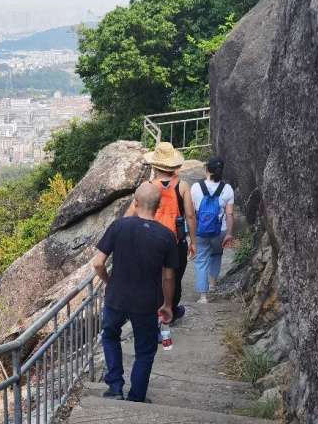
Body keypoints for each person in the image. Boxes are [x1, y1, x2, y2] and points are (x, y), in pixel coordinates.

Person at [92, 182, 180, 402]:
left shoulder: (118, 226)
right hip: (147, 302)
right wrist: (168, 305)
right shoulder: (167, 236)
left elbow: (98, 263)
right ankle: (137, 396)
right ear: (158, 206)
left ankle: (114, 387)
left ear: (136, 202)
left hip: (117, 297)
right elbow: (169, 277)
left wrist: (109, 281)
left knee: (110, 336)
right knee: (145, 350)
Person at [124, 142, 195, 324]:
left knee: (153, 279)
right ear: (174, 165)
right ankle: (170, 310)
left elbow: (129, 215)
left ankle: (153, 313)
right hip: (175, 240)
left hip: (150, 240)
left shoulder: (147, 187)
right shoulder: (182, 186)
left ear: (155, 166)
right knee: (174, 277)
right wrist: (193, 241)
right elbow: (190, 215)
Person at [191, 156, 236, 302]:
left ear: (207, 169)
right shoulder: (227, 189)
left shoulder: (196, 187)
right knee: (216, 255)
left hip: (200, 230)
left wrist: (190, 234)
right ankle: (212, 285)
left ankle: (203, 296)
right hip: (220, 230)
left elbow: (191, 213)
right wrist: (229, 233)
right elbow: (229, 214)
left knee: (201, 260)